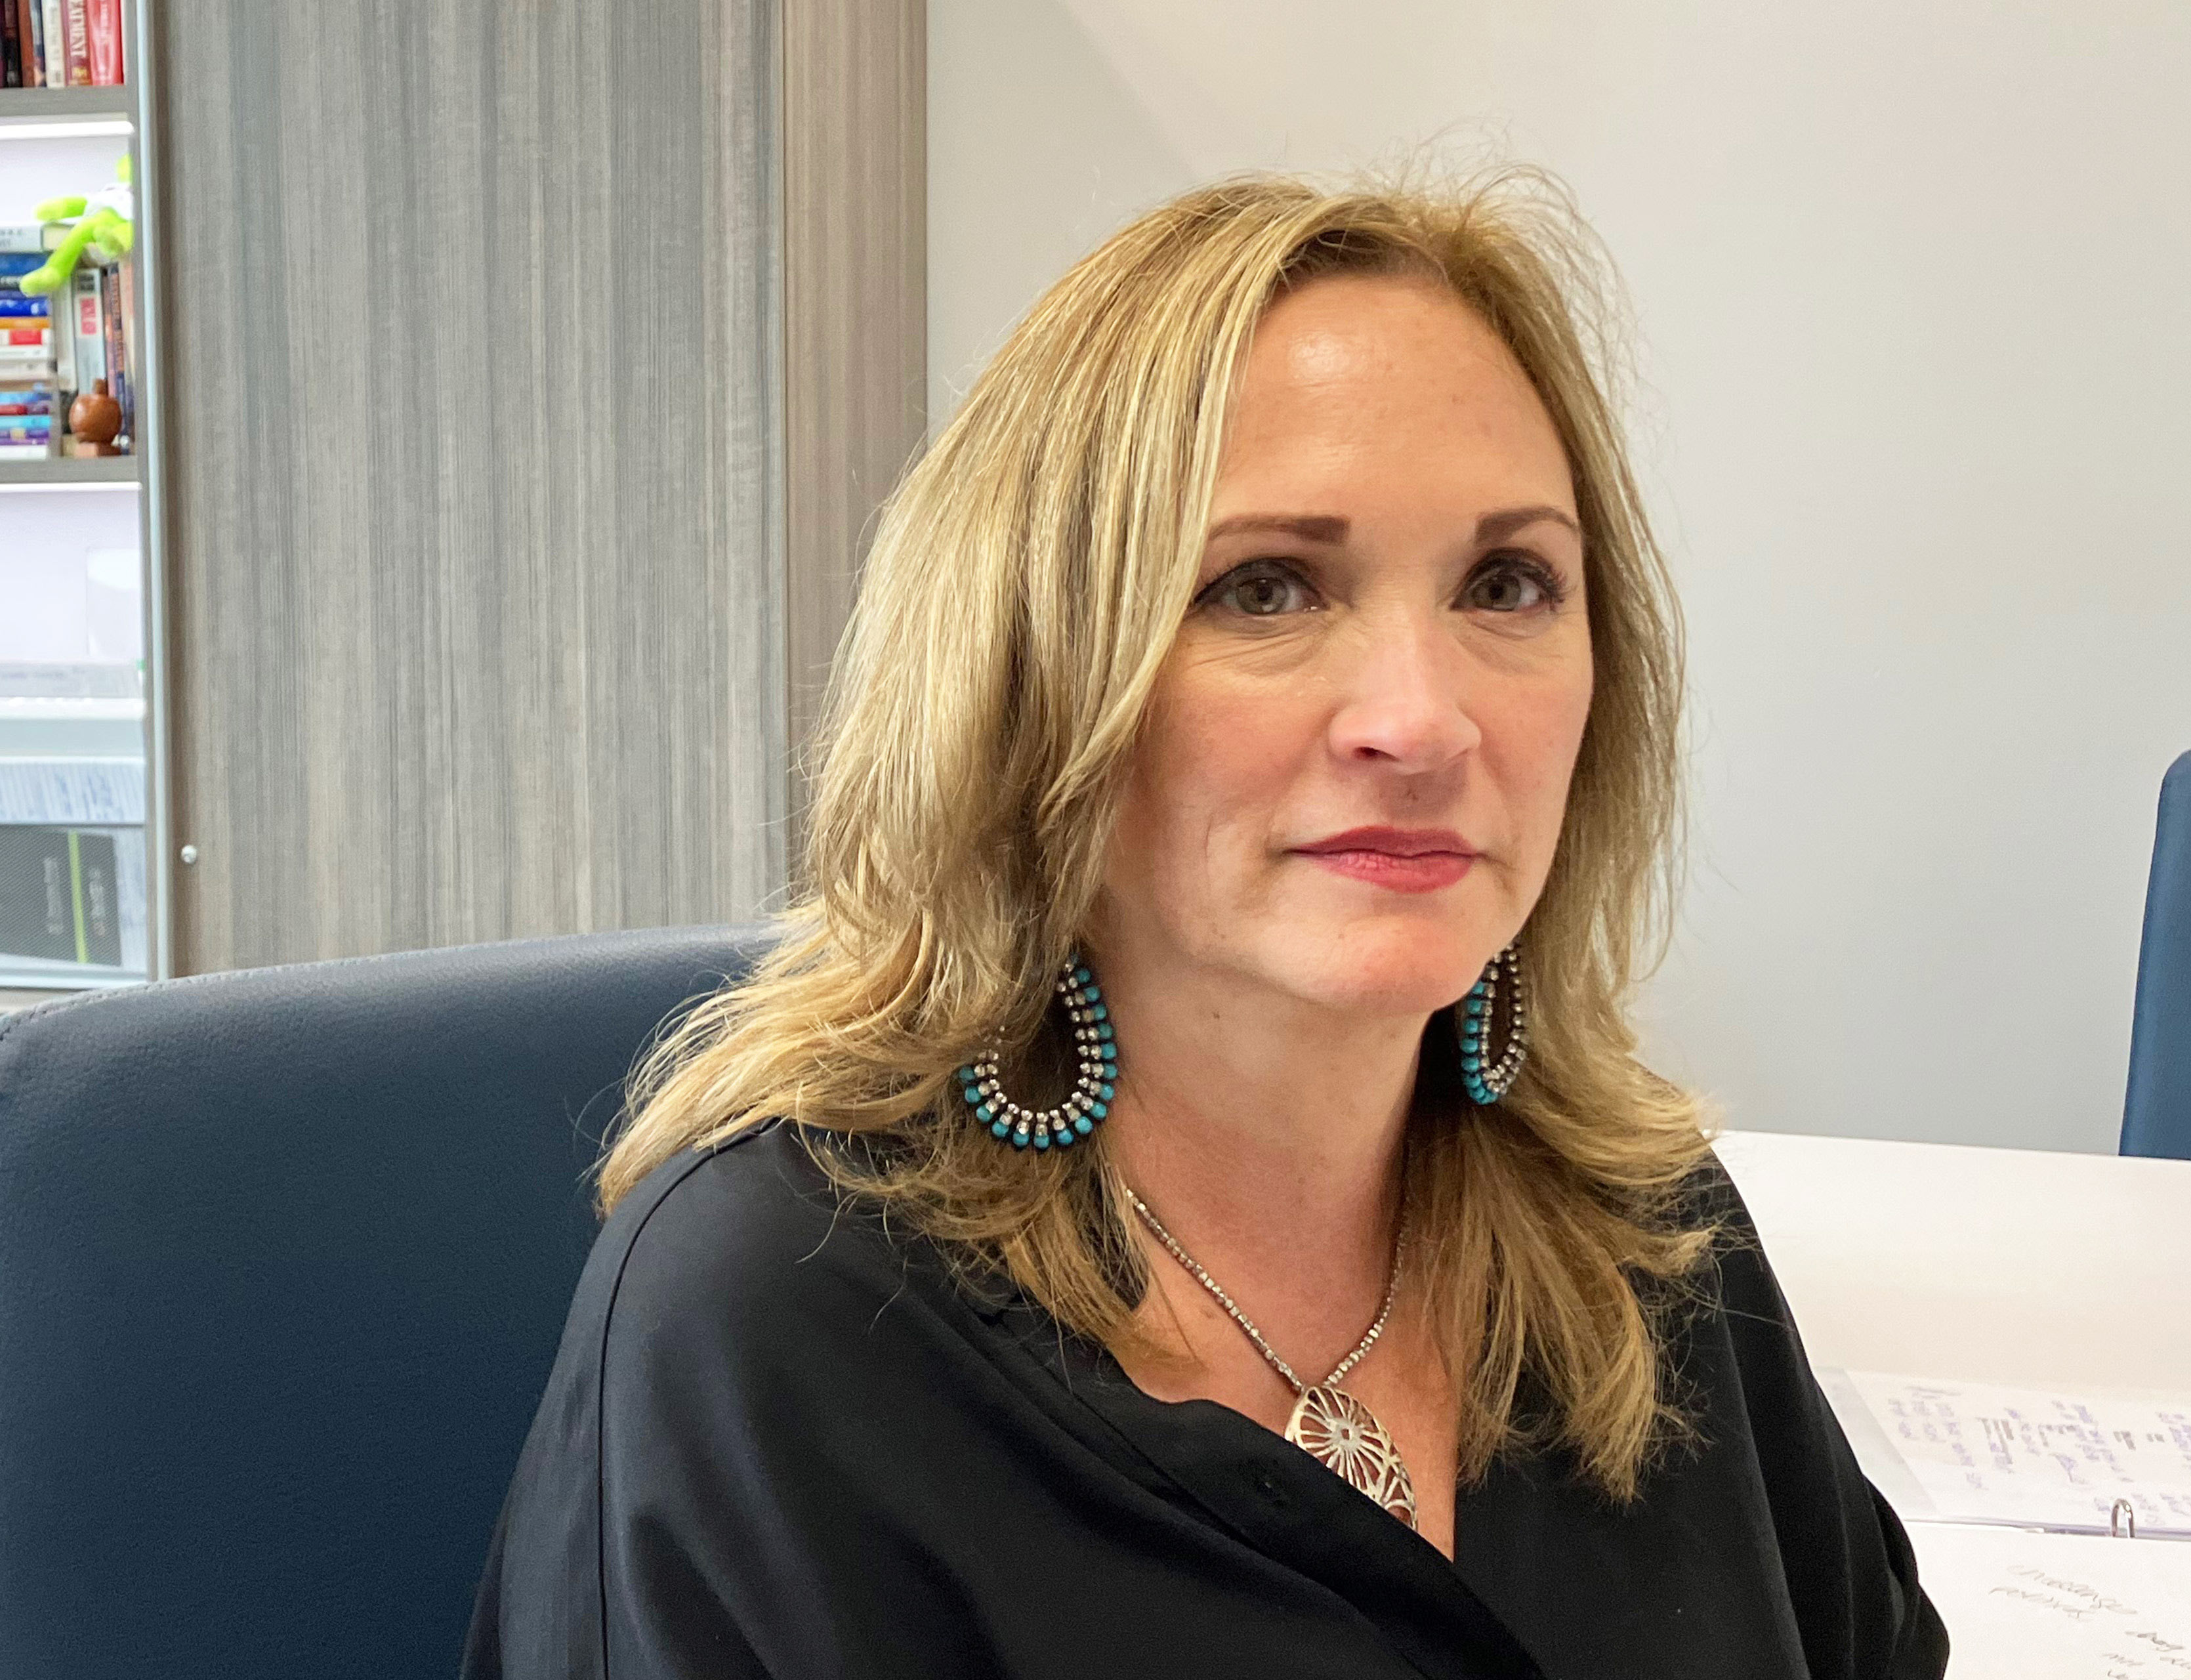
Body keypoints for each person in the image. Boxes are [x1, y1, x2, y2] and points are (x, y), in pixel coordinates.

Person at [463, 167, 1948, 1680]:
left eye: (1507, 583)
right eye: (1265, 588)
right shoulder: (777, 1323)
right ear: (1034, 679)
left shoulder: (1639, 1230)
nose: (1423, 720)